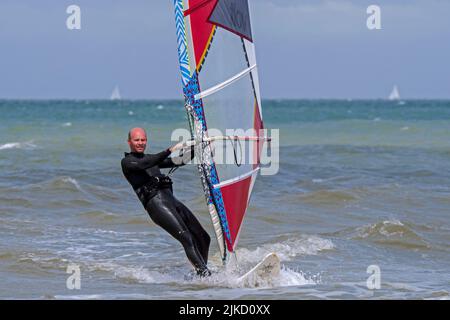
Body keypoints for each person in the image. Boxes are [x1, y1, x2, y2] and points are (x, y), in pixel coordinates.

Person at [121, 127, 211, 277]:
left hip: (172, 201)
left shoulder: (151, 159)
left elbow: (180, 161)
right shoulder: (127, 162)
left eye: (143, 140)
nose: (140, 143)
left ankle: (201, 273)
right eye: (137, 140)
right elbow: (146, 163)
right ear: (129, 142)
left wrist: (200, 145)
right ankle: (206, 276)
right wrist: (171, 149)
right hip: (157, 206)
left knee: (203, 237)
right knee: (187, 238)